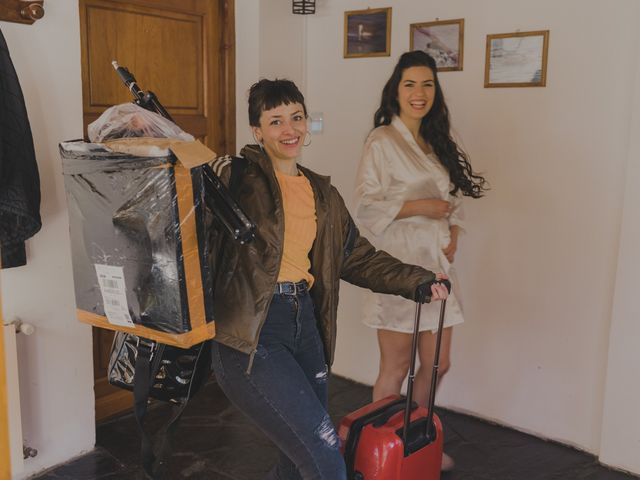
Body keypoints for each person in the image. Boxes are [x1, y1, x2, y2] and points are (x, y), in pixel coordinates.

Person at [207, 78, 450, 480]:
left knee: (295, 458)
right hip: (251, 336)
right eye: (275, 121)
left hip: (304, 326)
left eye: (296, 117)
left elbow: (356, 257)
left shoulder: (322, 193)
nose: (289, 130)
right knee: (322, 451)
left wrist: (417, 280)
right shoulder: (236, 180)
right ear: (257, 131)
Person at [353, 50, 488, 471]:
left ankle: (417, 436)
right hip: (398, 269)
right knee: (395, 367)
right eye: (410, 84)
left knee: (437, 362)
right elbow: (366, 206)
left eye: (427, 84)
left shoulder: (435, 139)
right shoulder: (381, 140)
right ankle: (381, 451)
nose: (419, 92)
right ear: (396, 90)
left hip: (436, 266)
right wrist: (418, 207)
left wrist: (456, 234)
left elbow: (450, 201)